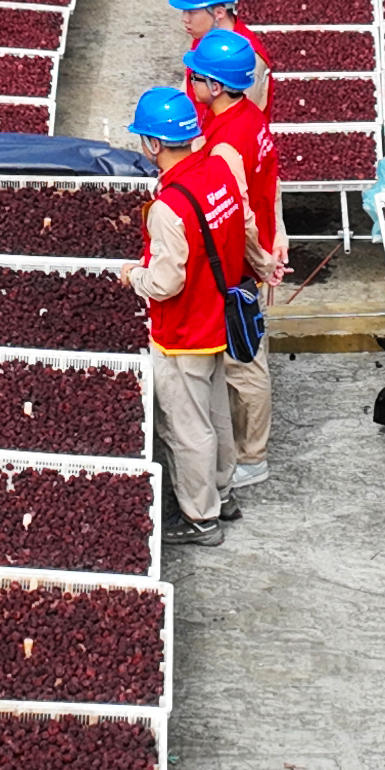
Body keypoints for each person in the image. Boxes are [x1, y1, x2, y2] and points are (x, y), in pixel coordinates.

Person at [128, 82, 256, 541]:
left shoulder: (168, 206)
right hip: (218, 318)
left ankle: (201, 518)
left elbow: (165, 282)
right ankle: (224, 495)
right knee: (217, 412)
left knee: (188, 428)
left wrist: (132, 277)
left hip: (182, 330)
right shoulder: (218, 171)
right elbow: (243, 227)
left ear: (154, 142)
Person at [187, 27, 282, 485]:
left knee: (244, 360)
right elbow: (271, 184)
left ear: (218, 86)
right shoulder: (252, 118)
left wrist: (257, 262)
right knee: (247, 354)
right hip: (252, 253)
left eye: (199, 78)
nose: (193, 83)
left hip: (236, 264)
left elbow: (237, 213)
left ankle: (252, 458)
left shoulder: (227, 144)